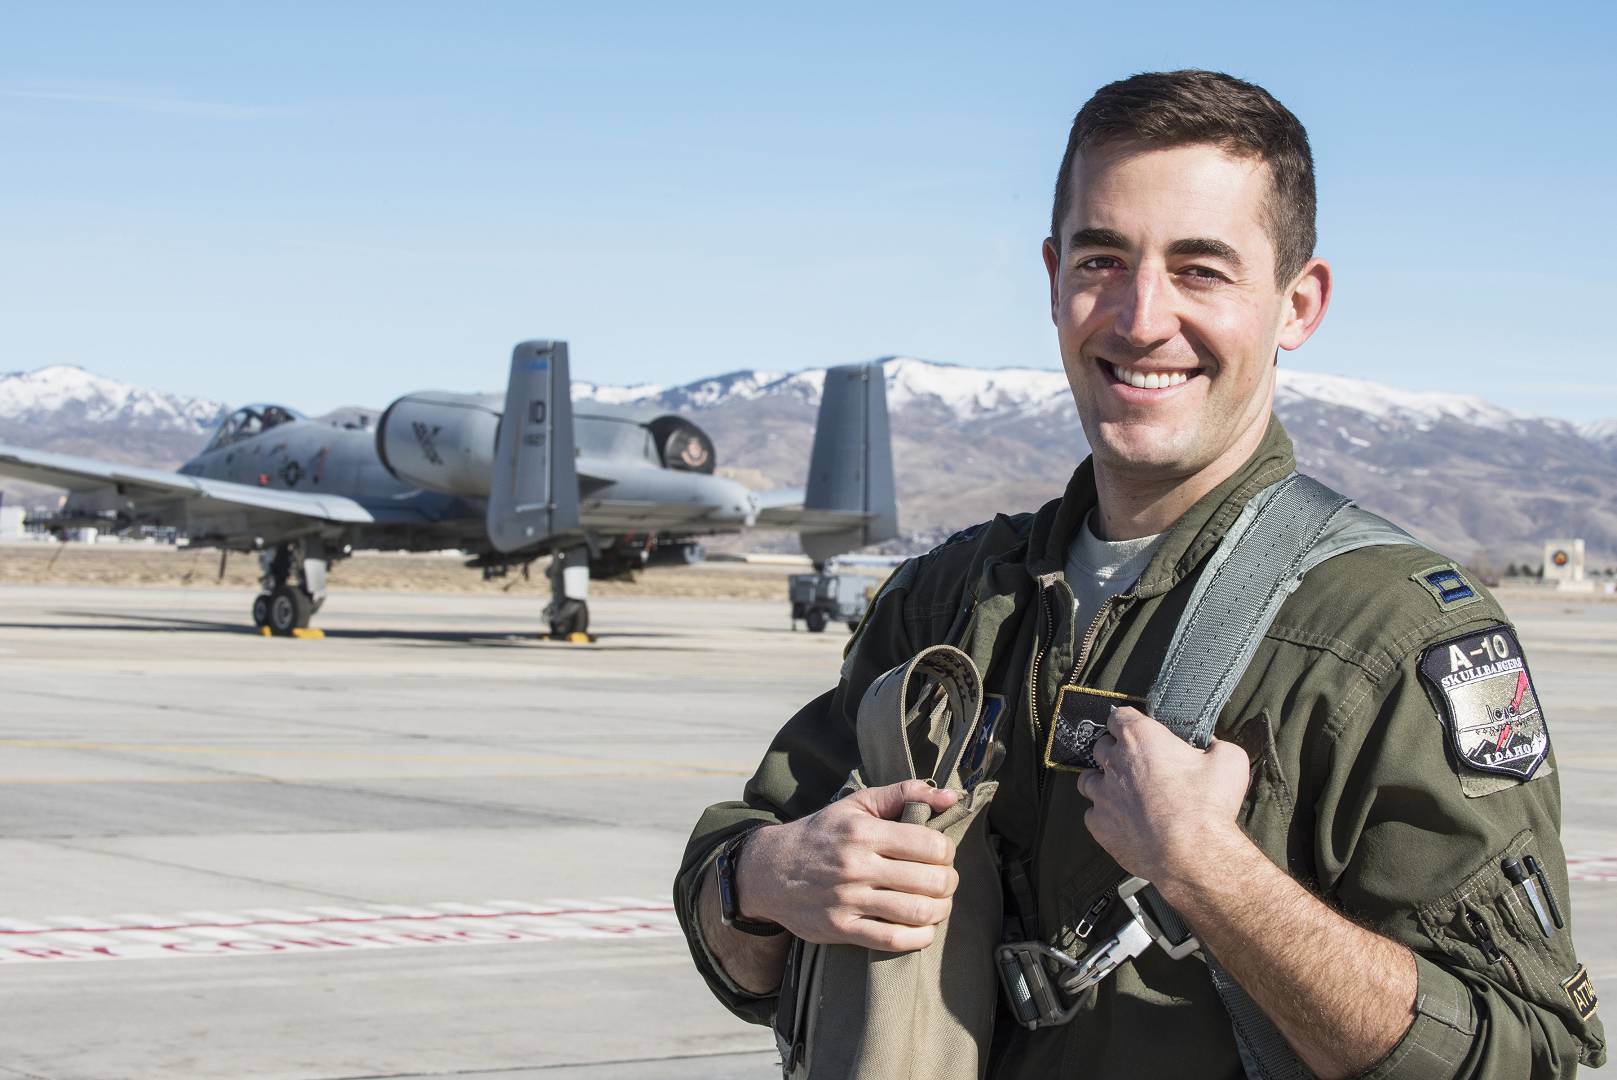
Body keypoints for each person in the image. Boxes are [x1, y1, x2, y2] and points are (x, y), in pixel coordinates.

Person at [674, 70, 1605, 1078]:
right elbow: (740, 939)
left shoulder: (1383, 638)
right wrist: (768, 879)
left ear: (1299, 304)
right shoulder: (951, 605)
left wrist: (1213, 874)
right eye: (1103, 259)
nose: (1140, 316)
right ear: (1052, 276)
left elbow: (1526, 1053)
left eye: (1202, 269)